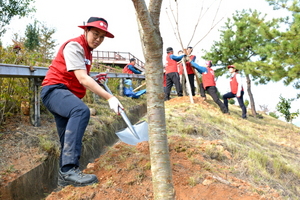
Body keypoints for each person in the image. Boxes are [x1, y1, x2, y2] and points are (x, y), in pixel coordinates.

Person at [40, 17, 124, 187]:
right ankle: (69, 170)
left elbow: (80, 76)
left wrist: (95, 79)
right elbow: (82, 78)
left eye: (102, 36)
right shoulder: (74, 46)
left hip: (66, 94)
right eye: (95, 34)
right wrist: (110, 97)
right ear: (85, 31)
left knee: (67, 139)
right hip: (54, 91)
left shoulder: (87, 51)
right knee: (81, 111)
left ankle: (64, 182)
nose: (98, 39)